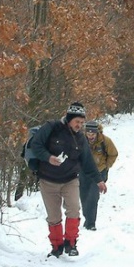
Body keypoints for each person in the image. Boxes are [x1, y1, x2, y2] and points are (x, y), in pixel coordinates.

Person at [27, 102, 106, 258]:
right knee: (54, 216)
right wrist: (48, 158)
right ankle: (56, 247)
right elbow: (36, 145)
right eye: (77, 122)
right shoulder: (51, 128)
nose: (80, 125)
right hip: (47, 180)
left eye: (82, 123)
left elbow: (88, 162)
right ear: (69, 119)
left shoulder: (81, 139)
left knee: (74, 210)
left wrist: (99, 180)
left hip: (70, 180)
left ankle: (71, 243)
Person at [80, 121, 118, 230]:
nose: (90, 136)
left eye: (93, 134)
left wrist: (106, 166)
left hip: (99, 173)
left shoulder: (105, 141)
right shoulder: (80, 140)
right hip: (83, 172)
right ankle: (87, 218)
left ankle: (91, 224)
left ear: (97, 133)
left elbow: (113, 154)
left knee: (93, 197)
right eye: (88, 133)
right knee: (84, 197)